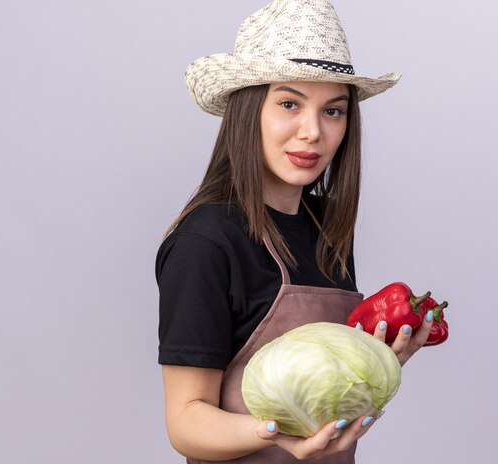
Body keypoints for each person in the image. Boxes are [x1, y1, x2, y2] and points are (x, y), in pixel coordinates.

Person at [155, 0, 434, 462]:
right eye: (289, 103)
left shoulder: (326, 227)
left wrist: (374, 363)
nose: (312, 132)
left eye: (333, 111)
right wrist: (275, 433)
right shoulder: (205, 242)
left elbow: (321, 382)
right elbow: (186, 420)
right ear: (248, 112)